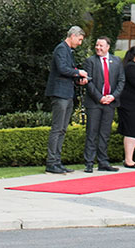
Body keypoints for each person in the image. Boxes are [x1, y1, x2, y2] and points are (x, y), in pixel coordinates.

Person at [44, 25, 88, 174]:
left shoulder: (68, 51)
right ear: (73, 36)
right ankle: (51, 162)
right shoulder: (61, 49)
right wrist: (78, 72)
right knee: (57, 129)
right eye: (80, 39)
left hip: (68, 93)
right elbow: (62, 69)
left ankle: (57, 161)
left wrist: (78, 79)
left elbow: (66, 72)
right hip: (60, 93)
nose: (80, 43)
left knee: (62, 129)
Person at [83, 35, 125, 172]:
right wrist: (99, 97)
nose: (98, 48)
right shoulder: (90, 61)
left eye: (101, 46)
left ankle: (103, 162)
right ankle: (89, 162)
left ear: (108, 47)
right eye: (97, 45)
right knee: (92, 132)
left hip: (110, 103)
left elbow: (121, 81)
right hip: (95, 103)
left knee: (105, 134)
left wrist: (112, 96)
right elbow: (88, 82)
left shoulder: (117, 61)